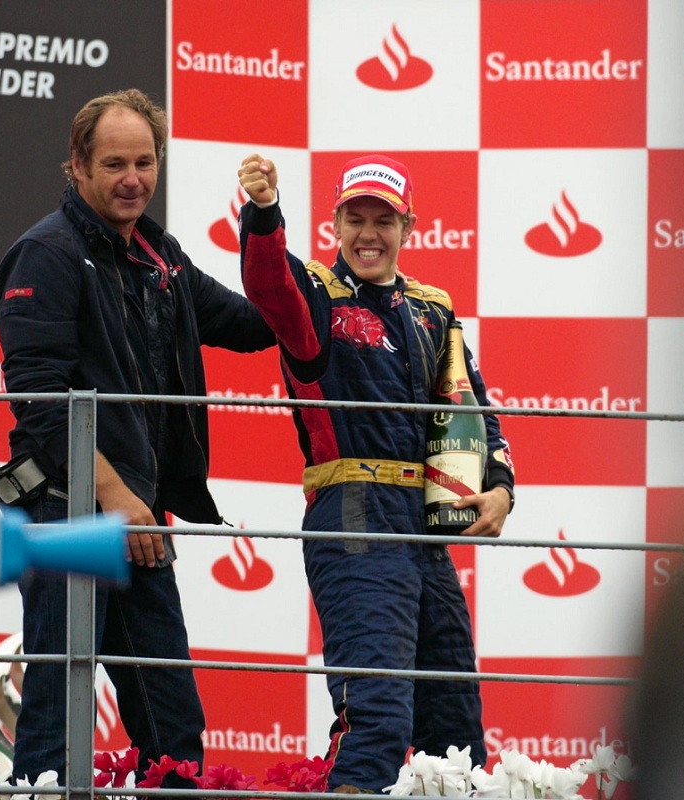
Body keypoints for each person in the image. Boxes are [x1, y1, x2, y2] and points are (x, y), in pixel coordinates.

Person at [0, 88, 274, 785]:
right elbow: (44, 405)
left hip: (135, 516)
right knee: (55, 714)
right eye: (115, 163)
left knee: (173, 728)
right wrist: (116, 496)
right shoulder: (44, 254)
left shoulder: (159, 253)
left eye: (145, 162)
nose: (133, 179)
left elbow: (254, 324)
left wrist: (267, 225)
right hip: (66, 510)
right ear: (77, 166)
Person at [236, 153, 515, 792]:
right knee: (377, 716)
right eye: (355, 218)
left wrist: (500, 487)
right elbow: (266, 283)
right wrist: (262, 212)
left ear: (407, 226)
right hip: (353, 511)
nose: (369, 233)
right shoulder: (314, 294)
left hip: (422, 528)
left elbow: (473, 408)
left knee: (456, 731)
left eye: (383, 220)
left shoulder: (434, 308)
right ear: (335, 223)